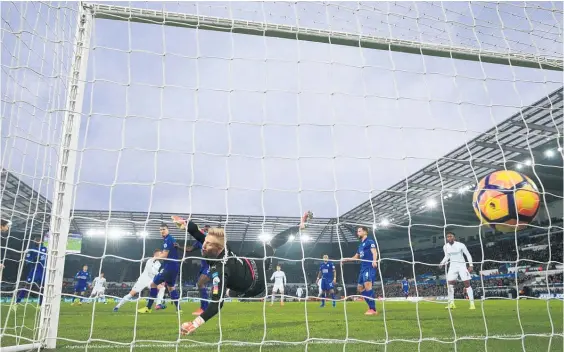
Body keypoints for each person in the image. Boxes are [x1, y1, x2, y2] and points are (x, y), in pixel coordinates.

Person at [174, 211, 312, 335]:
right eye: (206, 243)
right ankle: (299, 227)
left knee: (225, 293)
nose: (203, 245)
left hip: (256, 284)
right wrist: (186, 224)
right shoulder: (223, 248)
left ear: (218, 248)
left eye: (208, 244)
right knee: (272, 244)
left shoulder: (220, 271)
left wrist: (195, 324)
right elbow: (199, 235)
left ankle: (299, 227)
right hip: (251, 261)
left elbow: (216, 304)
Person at [138, 224, 182, 313]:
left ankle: (148, 308)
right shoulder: (170, 239)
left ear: (168, 229)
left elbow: (165, 256)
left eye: (164, 229)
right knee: (171, 288)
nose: (162, 231)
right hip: (174, 267)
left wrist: (154, 258)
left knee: (153, 285)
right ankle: (179, 309)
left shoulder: (168, 240)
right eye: (160, 229)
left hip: (169, 267)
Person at [174, 225, 211, 315]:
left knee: (200, 283)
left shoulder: (212, 241)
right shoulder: (200, 241)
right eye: (204, 229)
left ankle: (204, 308)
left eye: (207, 230)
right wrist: (179, 247)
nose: (205, 231)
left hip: (211, 265)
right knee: (200, 285)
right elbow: (190, 249)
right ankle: (205, 306)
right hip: (203, 266)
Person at [342, 226, 378, 315]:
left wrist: (374, 260)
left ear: (365, 232)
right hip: (362, 268)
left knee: (367, 286)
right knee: (360, 288)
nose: (358, 233)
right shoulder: (360, 246)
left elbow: (374, 252)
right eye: (357, 231)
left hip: (369, 267)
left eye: (359, 231)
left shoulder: (370, 241)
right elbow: (356, 257)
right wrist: (346, 259)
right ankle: (371, 307)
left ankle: (372, 309)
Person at [439, 231, 475, 310]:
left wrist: (471, 265)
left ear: (454, 237)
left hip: (462, 265)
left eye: (451, 236)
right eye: (448, 237)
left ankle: (472, 304)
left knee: (467, 284)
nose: (449, 238)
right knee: (450, 284)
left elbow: (468, 255)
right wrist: (442, 263)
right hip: (452, 266)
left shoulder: (461, 245)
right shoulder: (445, 246)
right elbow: (447, 256)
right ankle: (452, 303)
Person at [12, 235, 47, 310]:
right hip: (34, 270)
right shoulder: (31, 250)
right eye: (36, 241)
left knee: (43, 288)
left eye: (39, 241)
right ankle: (16, 303)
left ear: (42, 242)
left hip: (43, 272)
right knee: (27, 287)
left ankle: (40, 305)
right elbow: (27, 261)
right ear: (34, 242)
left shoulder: (44, 249)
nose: (38, 242)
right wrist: (33, 259)